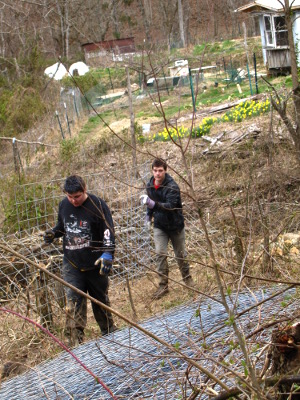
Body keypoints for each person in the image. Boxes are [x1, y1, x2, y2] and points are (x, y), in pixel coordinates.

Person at [43, 175, 116, 345]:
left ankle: (109, 333)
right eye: (70, 196)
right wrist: (53, 233)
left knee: (100, 299)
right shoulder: (64, 205)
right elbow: (63, 227)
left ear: (85, 190)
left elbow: (108, 231)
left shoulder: (98, 205)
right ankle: (75, 341)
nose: (74, 201)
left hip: (95, 262)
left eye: (77, 196)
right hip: (72, 263)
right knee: (74, 301)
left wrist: (108, 254)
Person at [140, 158, 194, 300]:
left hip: (175, 225)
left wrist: (152, 204)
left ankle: (188, 280)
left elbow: (170, 207)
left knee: (180, 255)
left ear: (165, 170)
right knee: (160, 253)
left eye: (160, 171)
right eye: (155, 170)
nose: (157, 174)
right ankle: (163, 285)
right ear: (152, 170)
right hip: (160, 226)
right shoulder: (150, 185)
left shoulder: (172, 187)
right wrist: (148, 216)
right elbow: (150, 205)